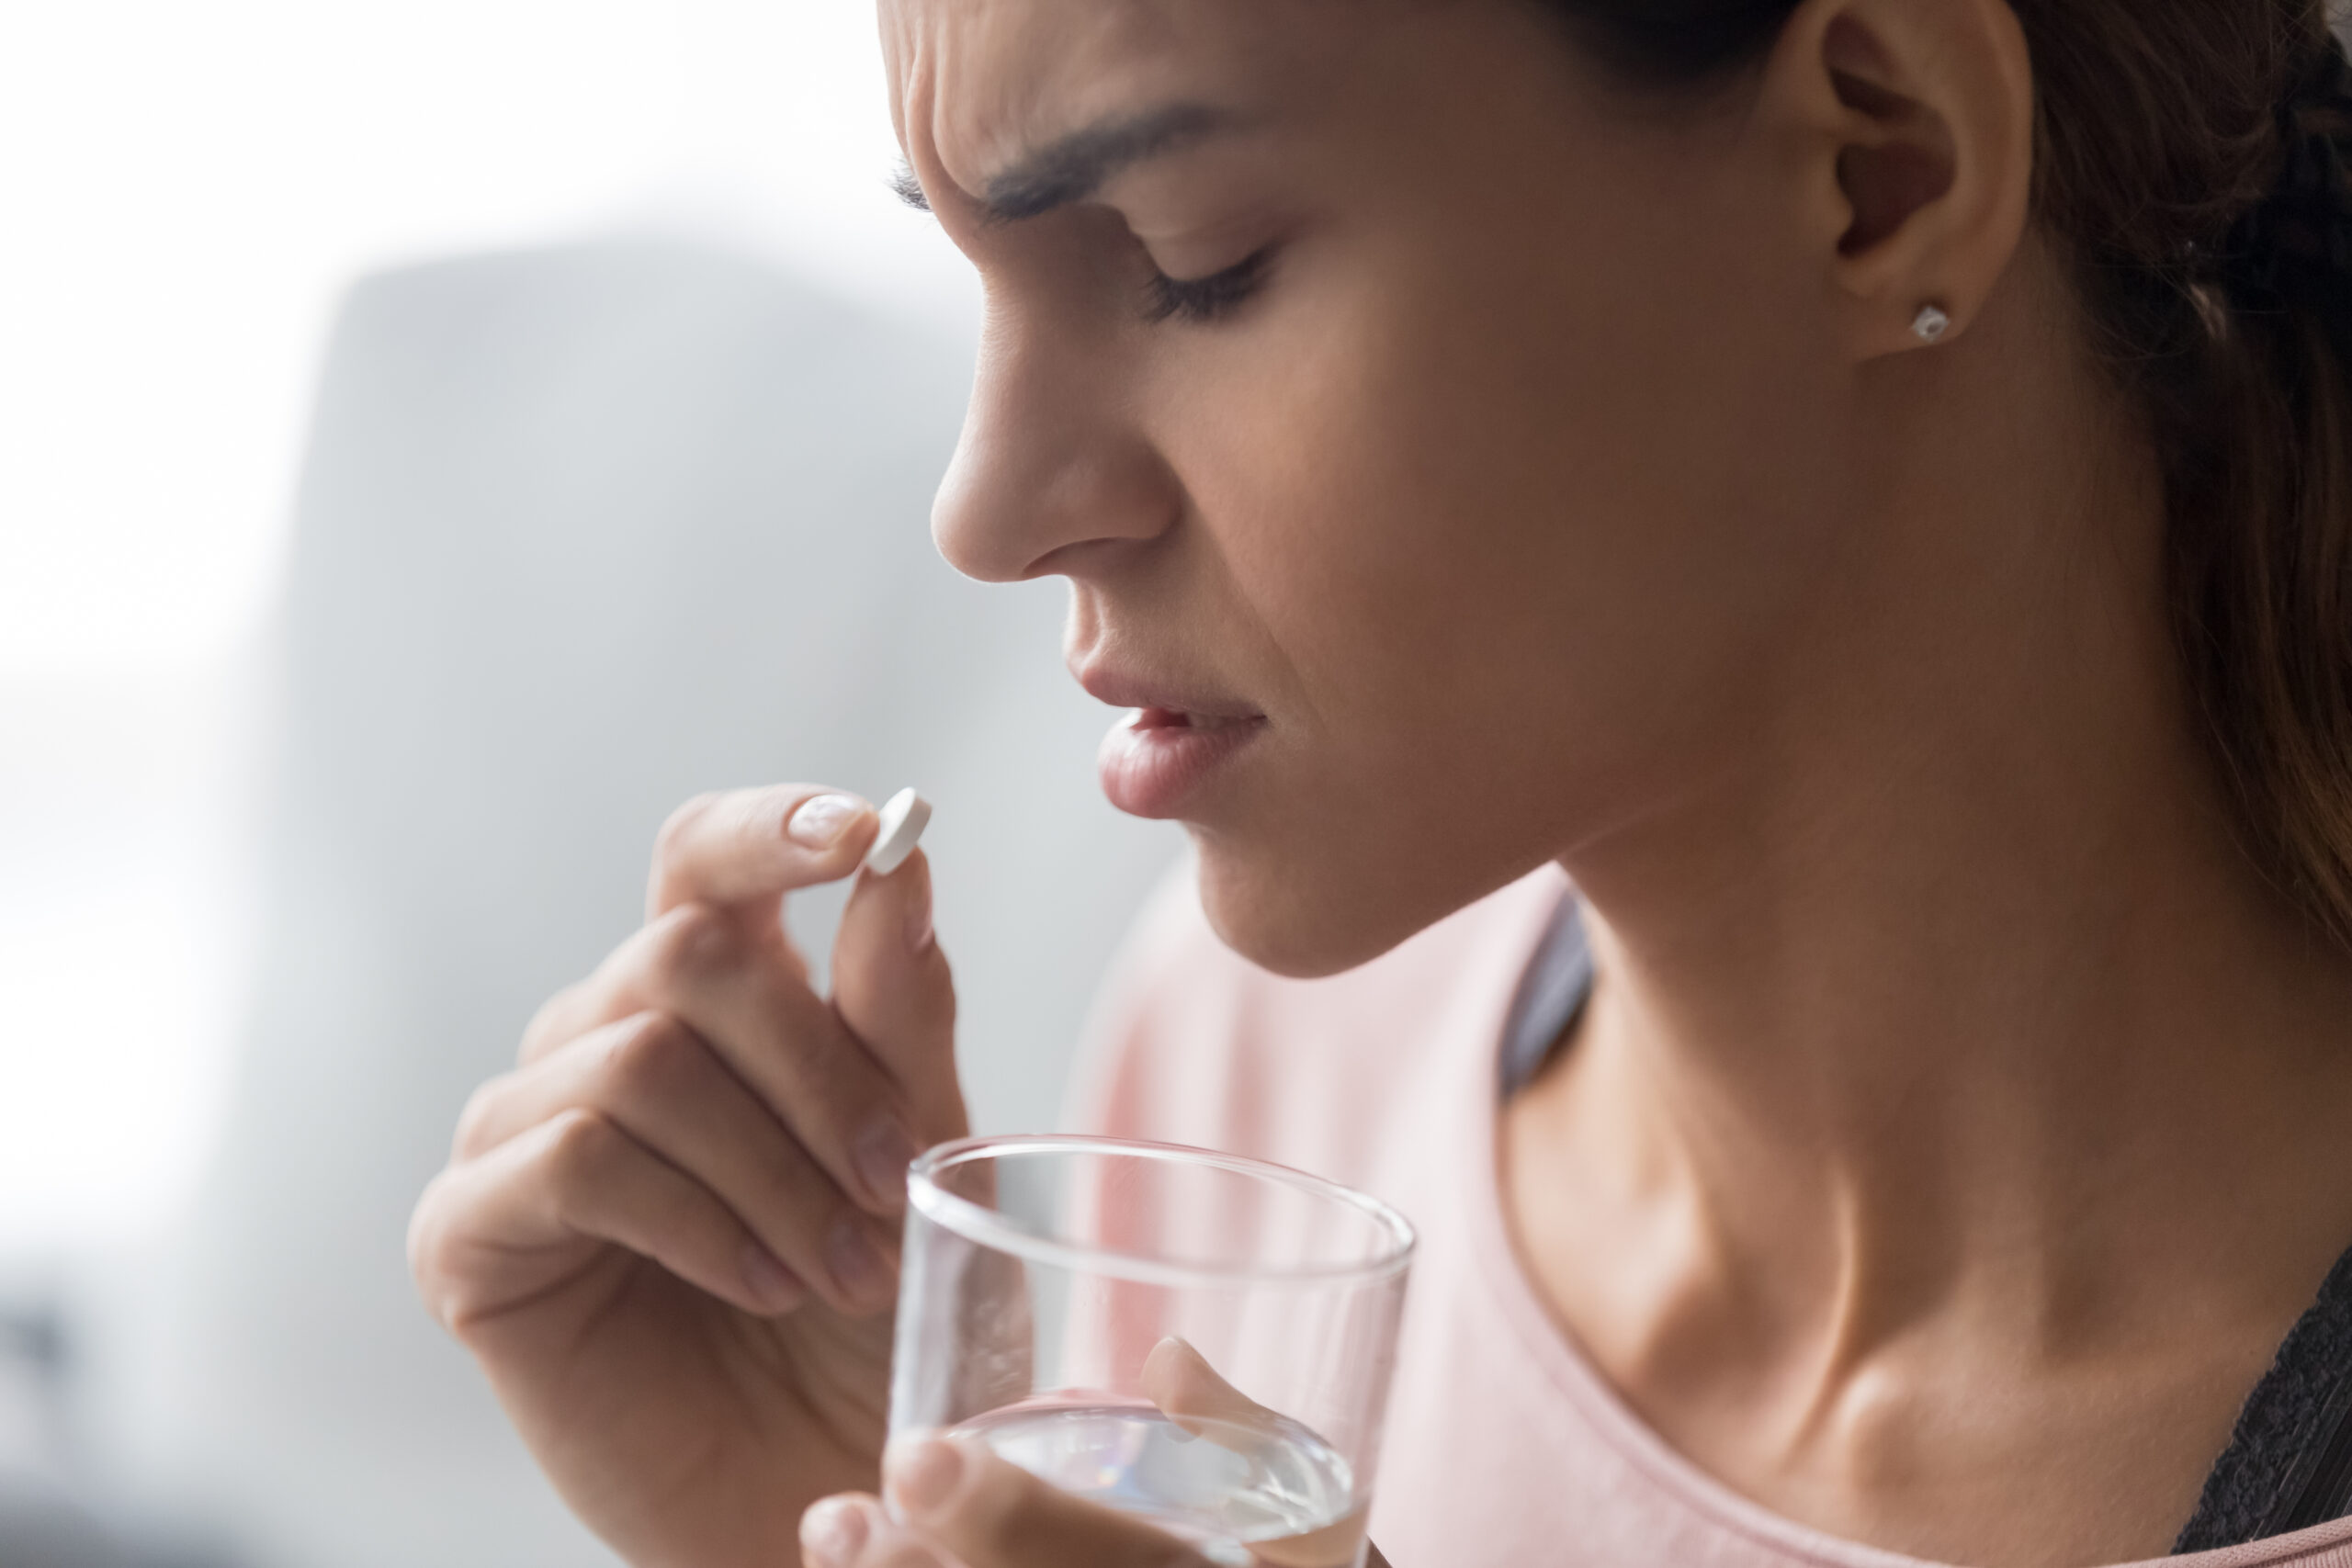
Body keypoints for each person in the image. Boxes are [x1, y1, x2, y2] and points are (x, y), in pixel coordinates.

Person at [406, 0, 2352, 1562]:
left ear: (1878, 166)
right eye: (980, 275)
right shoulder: (1256, 1095)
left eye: (1195, 264)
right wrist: (828, 1514)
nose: (984, 508)